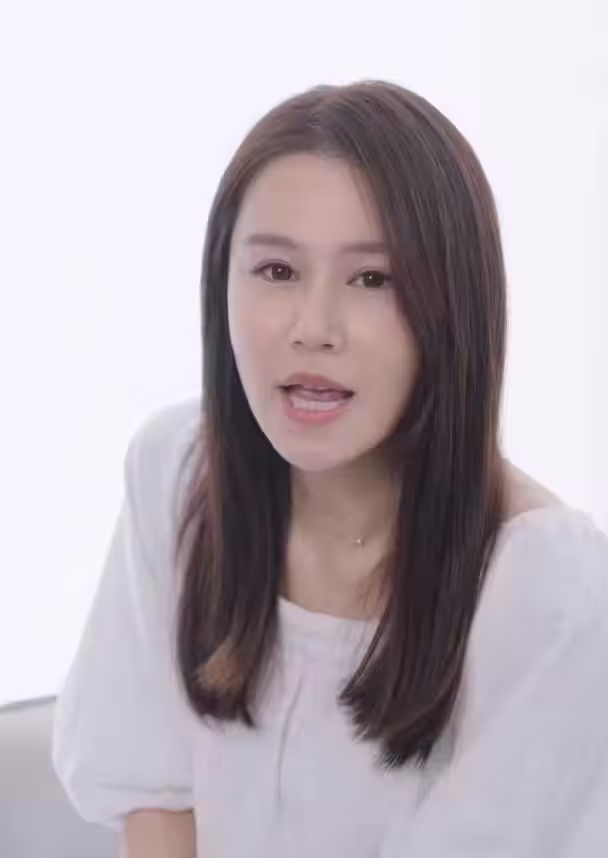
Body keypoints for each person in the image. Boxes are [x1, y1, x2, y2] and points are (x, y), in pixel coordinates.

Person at [52, 80, 608, 857]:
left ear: (453, 308)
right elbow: (156, 802)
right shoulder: (179, 471)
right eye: (277, 271)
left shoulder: (546, 586)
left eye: (373, 279)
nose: (314, 328)